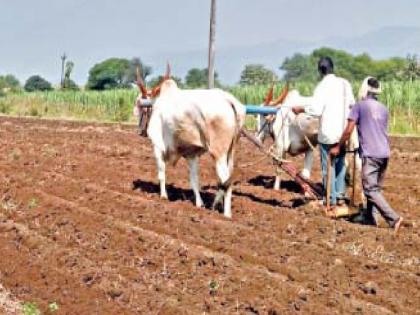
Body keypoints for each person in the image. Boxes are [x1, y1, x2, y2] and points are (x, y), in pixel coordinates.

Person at [330, 77, 403, 233]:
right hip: (384, 153)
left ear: (364, 90)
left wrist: (338, 146)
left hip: (371, 154)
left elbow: (349, 130)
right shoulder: (383, 108)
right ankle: (370, 218)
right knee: (376, 188)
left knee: (370, 190)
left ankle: (394, 218)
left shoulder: (359, 106)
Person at [293, 57, 355, 213]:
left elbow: (316, 110)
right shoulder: (345, 83)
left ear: (320, 71)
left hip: (328, 133)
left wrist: (300, 109)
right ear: (332, 68)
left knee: (328, 167)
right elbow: (352, 105)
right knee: (340, 164)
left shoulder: (322, 87)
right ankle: (341, 198)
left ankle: (330, 200)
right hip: (343, 133)